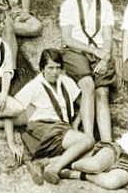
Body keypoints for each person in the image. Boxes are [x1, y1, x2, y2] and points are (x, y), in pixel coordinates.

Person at [8, 49, 105, 186]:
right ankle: (55, 168)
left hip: (62, 128)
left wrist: (77, 122)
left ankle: (44, 163)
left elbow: (83, 102)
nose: (54, 72)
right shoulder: (34, 86)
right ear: (42, 68)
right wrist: (10, 141)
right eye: (50, 68)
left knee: (92, 152)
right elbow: (10, 111)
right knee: (88, 140)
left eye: (58, 68)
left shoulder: (65, 81)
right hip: (43, 128)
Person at [57, 0, 116, 141]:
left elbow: (107, 37)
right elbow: (67, 38)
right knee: (88, 84)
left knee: (102, 92)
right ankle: (88, 138)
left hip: (99, 54)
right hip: (75, 51)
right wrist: (94, 51)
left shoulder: (105, 5)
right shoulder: (69, 3)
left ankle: (107, 142)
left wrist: (104, 58)